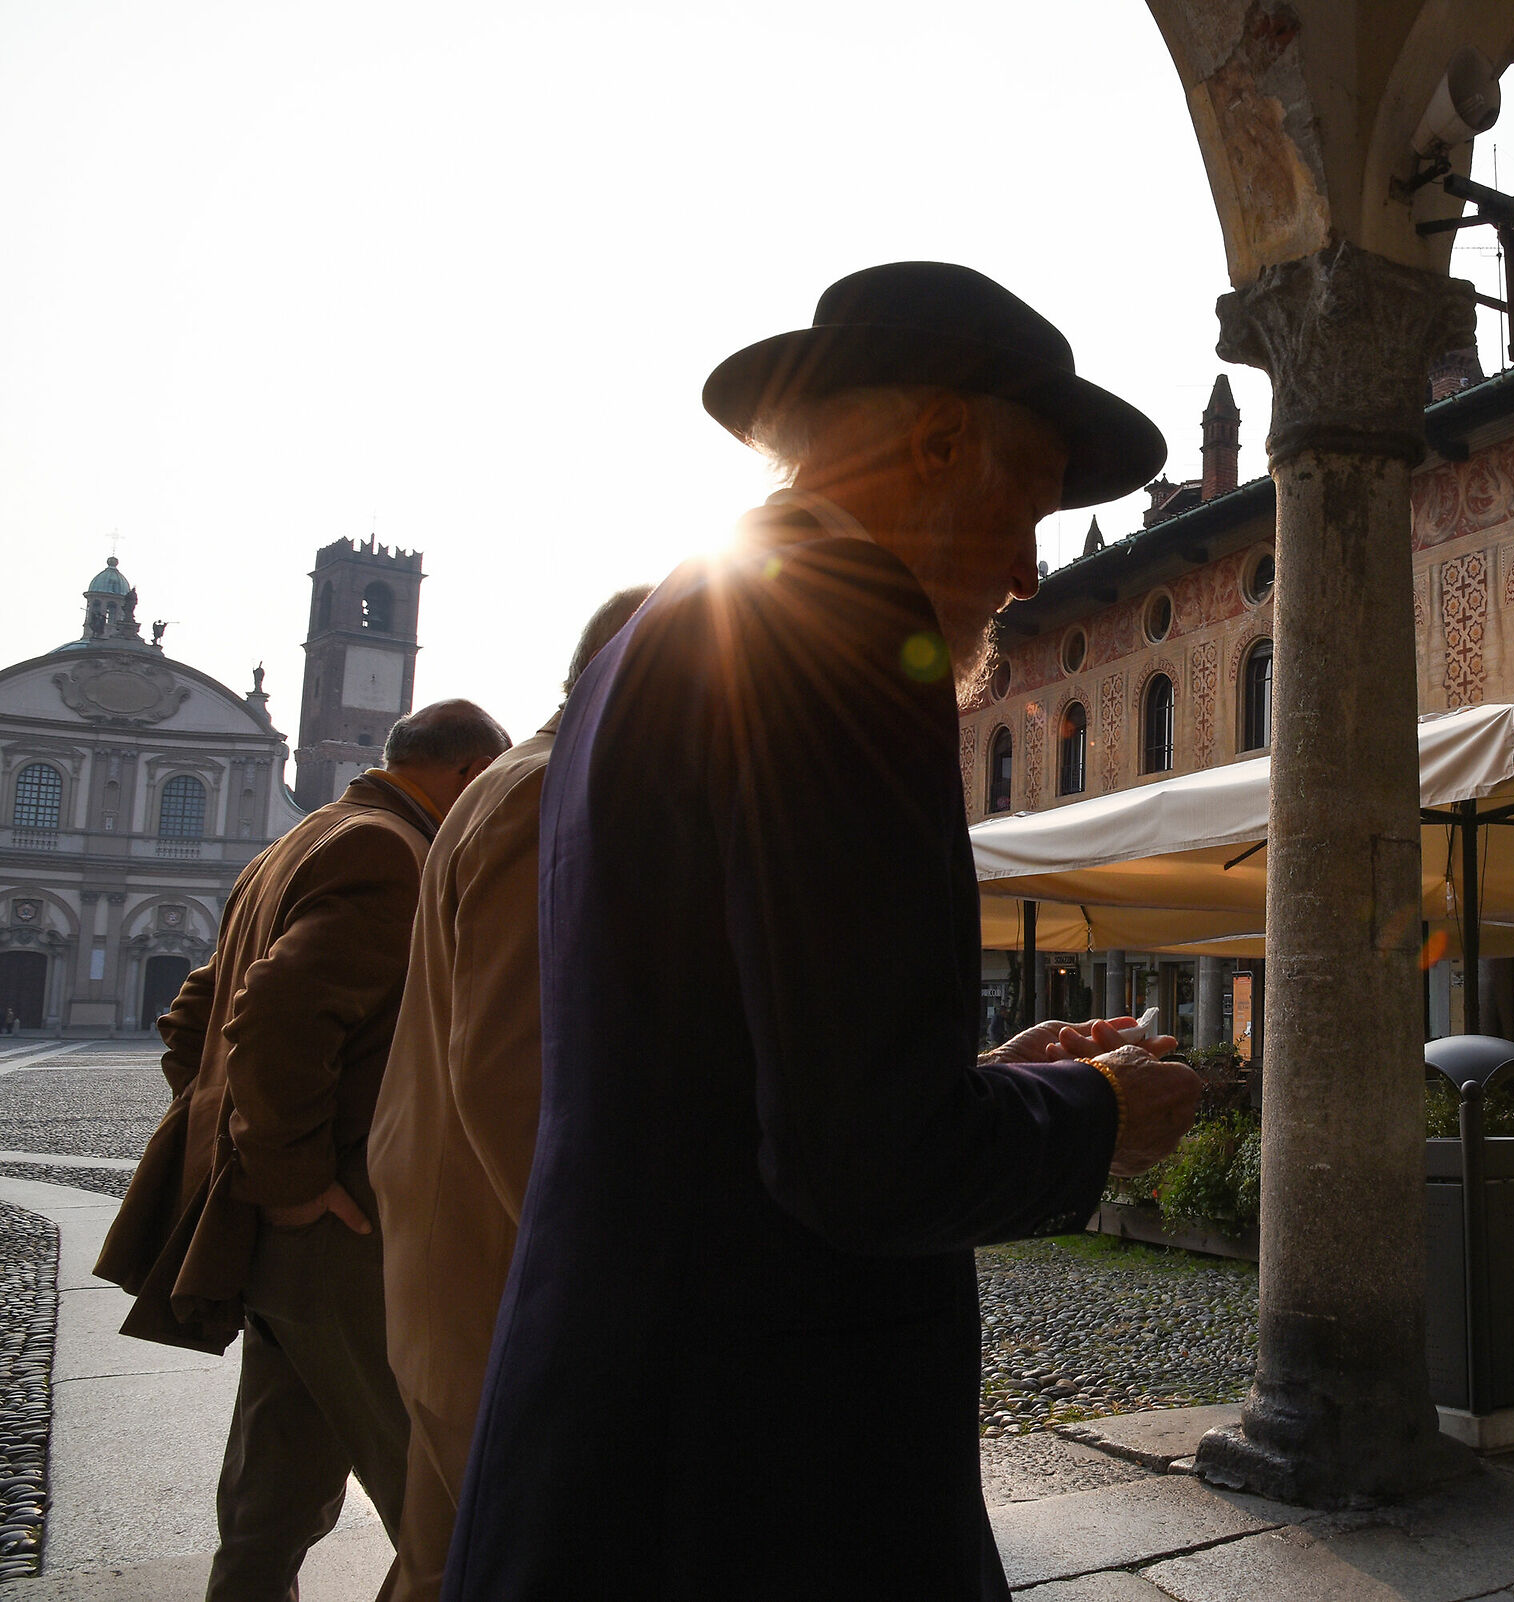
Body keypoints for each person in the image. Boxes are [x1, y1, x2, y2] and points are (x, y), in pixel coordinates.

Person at [446, 262, 1205, 1601]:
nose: (1031, 572)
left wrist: (998, 1080)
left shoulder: (667, 627)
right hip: (753, 1478)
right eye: (1025, 507)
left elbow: (738, 1066)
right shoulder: (841, 624)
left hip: (615, 1432)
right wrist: (1096, 1117)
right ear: (935, 446)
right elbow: (861, 1158)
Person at [94, 700, 511, 1602]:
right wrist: (293, 1178)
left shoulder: (303, 839)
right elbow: (272, 1013)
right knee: (441, 1498)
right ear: (473, 776)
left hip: (290, 1241)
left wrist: (249, 1155)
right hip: (340, 1232)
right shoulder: (390, 853)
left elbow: (191, 1020)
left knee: (273, 1495)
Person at [367, 586, 651, 1602]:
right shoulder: (547, 794)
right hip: (503, 1279)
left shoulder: (520, 782)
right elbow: (518, 1075)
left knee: (451, 1555)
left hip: (467, 1261)